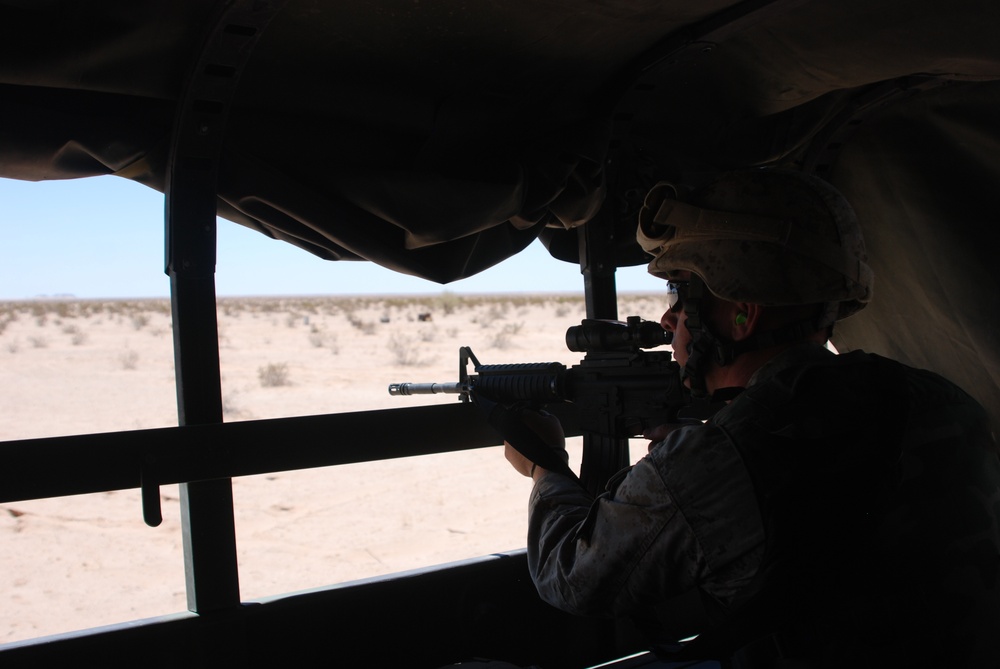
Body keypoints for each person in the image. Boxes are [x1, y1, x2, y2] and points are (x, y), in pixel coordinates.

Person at [503, 169, 1000, 667]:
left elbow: (571, 578)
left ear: (743, 314)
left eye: (680, 294)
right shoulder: (939, 398)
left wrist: (545, 467)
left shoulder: (720, 462)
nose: (668, 320)